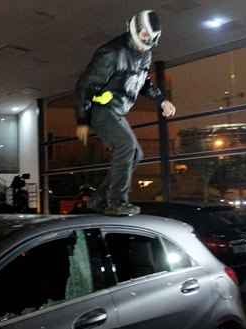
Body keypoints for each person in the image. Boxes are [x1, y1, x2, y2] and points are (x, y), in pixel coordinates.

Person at [75, 10, 176, 216]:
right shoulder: (111, 53)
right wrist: (82, 120)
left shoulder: (145, 53)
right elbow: (84, 86)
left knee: (136, 154)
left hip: (117, 112)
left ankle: (99, 199)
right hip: (100, 109)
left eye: (151, 37)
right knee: (126, 145)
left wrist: (161, 100)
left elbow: (144, 82)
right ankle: (117, 202)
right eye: (145, 35)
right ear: (135, 29)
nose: (147, 40)